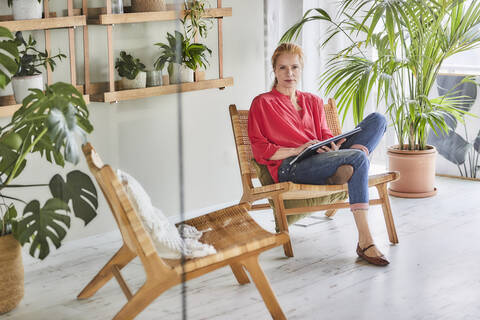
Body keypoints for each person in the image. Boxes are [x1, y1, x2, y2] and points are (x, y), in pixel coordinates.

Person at [248, 43, 389, 266]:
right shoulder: (262, 103)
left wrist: (332, 147)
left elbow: (325, 133)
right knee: (358, 158)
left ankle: (344, 167)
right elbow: (260, 150)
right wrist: (298, 149)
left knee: (378, 120)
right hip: (292, 166)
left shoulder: (313, 101)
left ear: (301, 69)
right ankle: (365, 240)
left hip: (322, 156)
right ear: (274, 70)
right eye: (283, 68)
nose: (289, 73)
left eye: (294, 67)